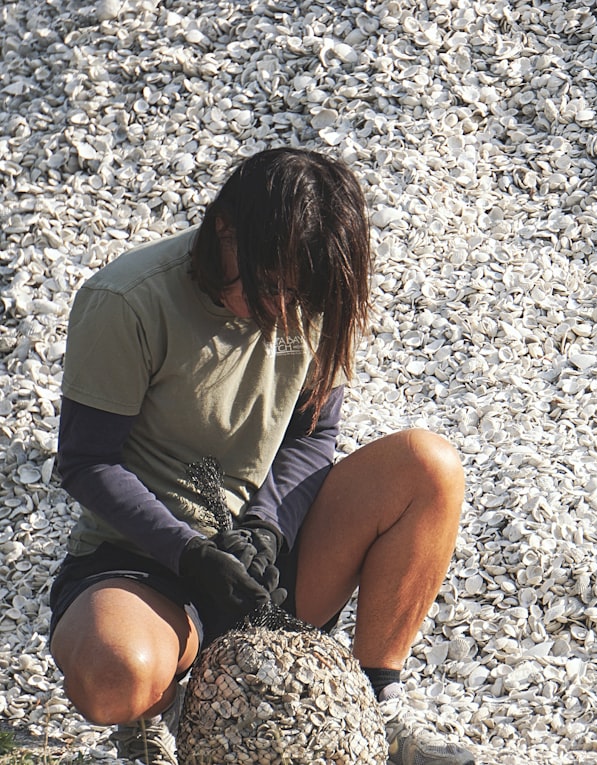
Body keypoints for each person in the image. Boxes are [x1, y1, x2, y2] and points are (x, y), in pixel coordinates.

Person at [48, 148, 475, 765]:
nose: (283, 311)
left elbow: (311, 439)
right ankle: (157, 711)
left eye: (298, 295)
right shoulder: (129, 301)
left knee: (429, 466)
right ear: (225, 232)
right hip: (148, 559)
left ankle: (374, 700)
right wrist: (190, 555)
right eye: (269, 285)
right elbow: (86, 462)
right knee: (115, 677)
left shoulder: (311, 289)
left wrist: (267, 526)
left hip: (261, 557)